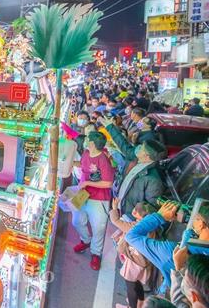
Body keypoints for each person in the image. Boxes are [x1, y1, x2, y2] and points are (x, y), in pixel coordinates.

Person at [126, 201, 209, 294]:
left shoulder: (171, 251)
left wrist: (158, 216)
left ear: (201, 224)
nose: (192, 219)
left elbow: (131, 236)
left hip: (170, 295)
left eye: (195, 218)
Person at [71, 131, 115, 270]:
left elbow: (108, 183)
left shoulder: (103, 159)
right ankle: (85, 240)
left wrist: (88, 184)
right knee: (77, 221)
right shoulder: (86, 153)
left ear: (93, 144)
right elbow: (82, 165)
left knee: (98, 228)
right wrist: (70, 163)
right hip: (82, 194)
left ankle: (96, 253)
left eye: (88, 140)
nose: (85, 141)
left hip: (99, 198)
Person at [111, 199, 156, 308]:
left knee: (130, 285)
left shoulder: (135, 227)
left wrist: (114, 208)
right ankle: (140, 302)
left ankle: (132, 306)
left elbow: (115, 221)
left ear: (136, 213)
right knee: (137, 283)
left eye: (135, 209)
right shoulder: (151, 226)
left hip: (134, 262)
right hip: (143, 260)